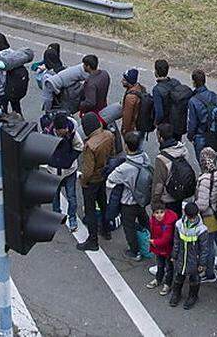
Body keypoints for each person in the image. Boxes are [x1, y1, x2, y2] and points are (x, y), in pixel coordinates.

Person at [108, 131, 152, 261]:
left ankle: (135, 251)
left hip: (128, 202)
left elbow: (111, 179)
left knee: (129, 227)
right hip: (141, 198)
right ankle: (153, 239)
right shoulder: (144, 157)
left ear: (126, 146)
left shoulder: (124, 168)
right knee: (144, 220)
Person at [77, 111, 115, 250]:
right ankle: (106, 230)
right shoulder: (109, 135)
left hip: (92, 179)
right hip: (103, 174)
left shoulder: (90, 145)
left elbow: (88, 169)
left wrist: (83, 181)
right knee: (103, 203)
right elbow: (113, 154)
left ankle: (93, 240)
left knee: (90, 210)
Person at [194, 146, 217, 281]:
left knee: (208, 245)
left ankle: (209, 274)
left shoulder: (205, 180)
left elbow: (202, 204)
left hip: (209, 215)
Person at [43, 112, 82, 230]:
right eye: (63, 129)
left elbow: (79, 146)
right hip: (53, 170)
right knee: (55, 196)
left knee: (71, 196)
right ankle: (56, 215)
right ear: (57, 129)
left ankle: (72, 218)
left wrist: (68, 161)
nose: (66, 130)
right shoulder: (48, 134)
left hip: (69, 170)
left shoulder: (72, 132)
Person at [168, 202, 209, 309]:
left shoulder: (201, 230)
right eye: (190, 217)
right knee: (179, 276)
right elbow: (176, 241)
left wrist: (202, 263)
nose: (191, 219)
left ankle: (193, 296)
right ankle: (176, 293)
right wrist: (174, 255)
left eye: (193, 217)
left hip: (194, 259)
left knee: (194, 278)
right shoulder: (179, 225)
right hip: (182, 257)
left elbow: (204, 249)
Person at [151, 122, 189, 216]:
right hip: (181, 191)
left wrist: (155, 202)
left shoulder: (161, 159)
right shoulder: (183, 149)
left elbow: (158, 184)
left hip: (168, 197)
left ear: (161, 137)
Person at [185, 69, 217, 157]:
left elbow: (192, 122)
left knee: (203, 163)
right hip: (213, 134)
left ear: (194, 82)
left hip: (200, 136)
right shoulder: (213, 95)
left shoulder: (193, 100)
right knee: (211, 161)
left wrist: (190, 136)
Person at [148, 204, 179, 293]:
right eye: (157, 213)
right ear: (153, 214)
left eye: (161, 212)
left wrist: (154, 242)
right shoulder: (153, 221)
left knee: (169, 267)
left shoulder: (168, 224)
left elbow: (166, 239)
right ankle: (158, 279)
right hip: (159, 249)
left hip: (168, 250)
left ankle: (167, 284)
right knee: (160, 265)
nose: (159, 215)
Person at [119, 68, 147, 137]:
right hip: (141, 125)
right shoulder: (141, 88)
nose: (122, 81)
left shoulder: (130, 97)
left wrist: (125, 131)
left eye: (124, 80)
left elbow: (127, 118)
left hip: (133, 129)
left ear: (129, 82)